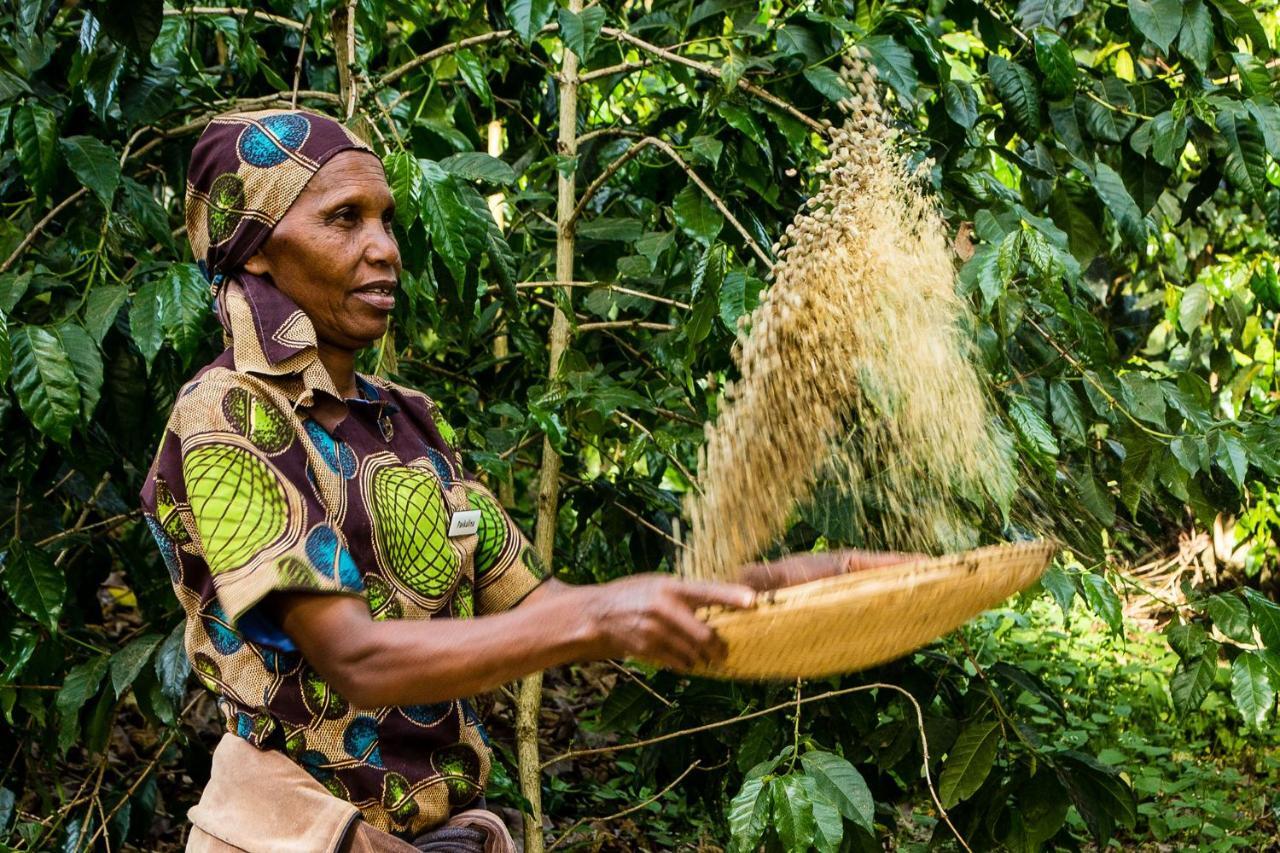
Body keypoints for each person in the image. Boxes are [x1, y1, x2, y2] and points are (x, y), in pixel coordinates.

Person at [138, 109, 908, 853]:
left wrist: (768, 588)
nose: (385, 249)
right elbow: (356, 659)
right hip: (289, 836)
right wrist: (606, 616)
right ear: (259, 248)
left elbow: (548, 608)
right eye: (343, 219)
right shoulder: (225, 413)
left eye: (386, 219)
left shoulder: (408, 420)